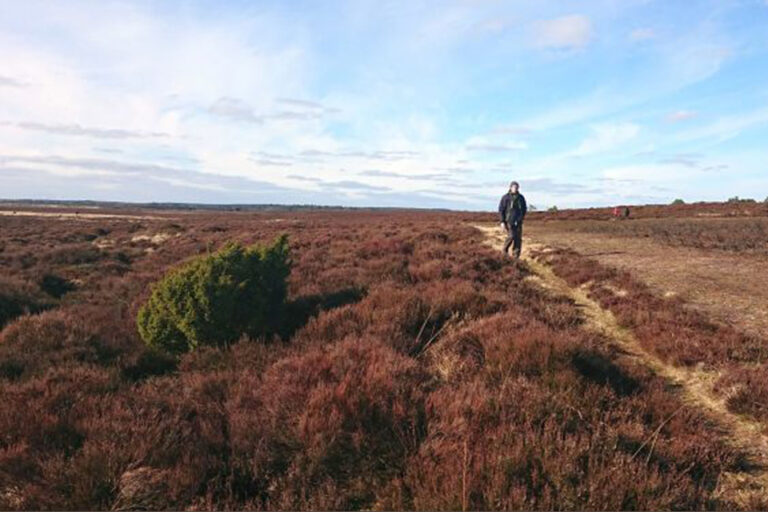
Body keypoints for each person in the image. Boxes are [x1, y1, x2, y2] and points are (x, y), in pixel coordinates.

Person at [498, 181, 528, 259]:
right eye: (514, 187)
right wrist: (502, 222)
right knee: (511, 236)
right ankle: (504, 251)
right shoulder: (505, 197)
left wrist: (521, 218)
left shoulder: (521, 197)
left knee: (518, 239)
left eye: (517, 187)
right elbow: (501, 210)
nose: (515, 188)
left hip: (518, 222)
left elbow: (524, 209)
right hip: (509, 221)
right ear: (510, 187)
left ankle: (516, 257)